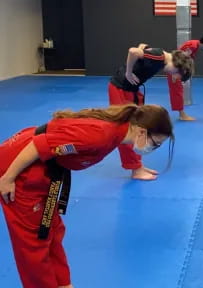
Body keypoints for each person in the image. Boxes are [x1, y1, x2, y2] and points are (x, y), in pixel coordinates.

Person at [0, 104, 175, 288]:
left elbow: (57, 147)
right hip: (19, 169)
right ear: (141, 132)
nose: (152, 148)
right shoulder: (100, 136)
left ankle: (63, 284)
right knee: (34, 242)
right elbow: (39, 145)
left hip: (45, 170)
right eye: (155, 144)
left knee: (52, 230)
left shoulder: (116, 133)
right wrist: (7, 178)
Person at [109, 43, 192, 180]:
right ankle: (135, 169)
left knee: (141, 126)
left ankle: (137, 165)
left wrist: (142, 49)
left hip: (131, 90)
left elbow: (141, 46)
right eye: (177, 74)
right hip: (120, 89)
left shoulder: (160, 57)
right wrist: (128, 72)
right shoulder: (159, 57)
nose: (174, 76)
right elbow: (132, 51)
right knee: (127, 129)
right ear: (177, 65)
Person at [168, 32, 203, 121]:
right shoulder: (193, 46)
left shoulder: (194, 44)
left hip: (176, 69)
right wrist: (176, 73)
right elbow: (180, 58)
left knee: (178, 91)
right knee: (177, 92)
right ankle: (182, 115)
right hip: (174, 70)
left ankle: (181, 114)